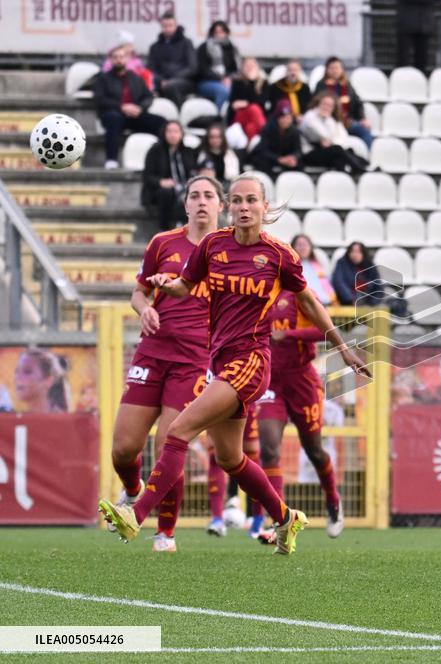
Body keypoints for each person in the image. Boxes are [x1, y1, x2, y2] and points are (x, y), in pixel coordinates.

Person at [98, 173, 370, 555]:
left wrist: (342, 347)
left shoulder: (279, 254)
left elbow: (309, 302)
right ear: (229, 206)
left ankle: (137, 514)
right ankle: (285, 517)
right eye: (238, 201)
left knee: (177, 431)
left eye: (251, 201)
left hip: (252, 362)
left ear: (265, 207)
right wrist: (164, 282)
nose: (244, 208)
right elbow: (185, 287)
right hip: (219, 361)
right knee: (229, 457)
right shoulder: (213, 245)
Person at [107, 176, 221, 553]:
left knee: (170, 443)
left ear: (220, 205)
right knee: (123, 449)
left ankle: (165, 533)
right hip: (151, 353)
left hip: (194, 360)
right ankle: (132, 490)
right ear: (185, 205)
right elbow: (138, 292)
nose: (202, 202)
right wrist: (143, 311)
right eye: (195, 196)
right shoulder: (163, 243)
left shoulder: (228, 252)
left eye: (209, 196)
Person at [254, 285, 347, 541]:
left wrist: (290, 334)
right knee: (269, 448)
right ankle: (280, 522)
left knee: (314, 450)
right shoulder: (257, 292)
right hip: (271, 381)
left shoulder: (300, 294)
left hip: (302, 381)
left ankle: (333, 502)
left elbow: (324, 331)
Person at [94, 46, 166, 169]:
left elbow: (148, 97)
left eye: (121, 57)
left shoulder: (135, 78)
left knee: (161, 123)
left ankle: (162, 160)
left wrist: (139, 108)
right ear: (110, 60)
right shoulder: (103, 78)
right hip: (113, 114)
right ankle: (111, 160)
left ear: (127, 59)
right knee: (114, 119)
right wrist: (121, 107)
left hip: (134, 115)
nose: (118, 60)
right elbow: (100, 99)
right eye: (115, 57)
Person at [141, 120, 197, 232]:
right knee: (166, 192)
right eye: (169, 131)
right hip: (160, 191)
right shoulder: (155, 151)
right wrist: (161, 182)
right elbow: (147, 177)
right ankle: (164, 229)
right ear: (164, 133)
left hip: (184, 188)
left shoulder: (188, 152)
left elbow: (194, 171)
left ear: (181, 134)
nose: (172, 135)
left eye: (176, 131)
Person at [299, 92, 370, 174]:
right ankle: (359, 169)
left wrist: (330, 141)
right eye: (324, 104)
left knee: (344, 155)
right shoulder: (310, 116)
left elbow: (343, 137)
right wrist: (329, 139)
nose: (326, 107)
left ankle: (360, 168)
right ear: (317, 103)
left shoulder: (330, 119)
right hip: (309, 154)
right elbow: (324, 134)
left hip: (325, 151)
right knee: (337, 150)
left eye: (330, 106)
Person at [313, 57, 374, 149]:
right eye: (332, 68)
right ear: (327, 70)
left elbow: (358, 103)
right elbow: (315, 105)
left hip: (347, 122)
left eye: (337, 68)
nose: (335, 71)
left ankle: (365, 158)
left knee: (365, 132)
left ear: (342, 69)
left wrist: (362, 118)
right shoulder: (321, 85)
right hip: (328, 123)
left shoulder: (347, 85)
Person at [147, 10, 197, 106]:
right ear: (161, 27)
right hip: (161, 81)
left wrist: (171, 80)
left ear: (176, 25)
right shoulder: (155, 47)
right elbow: (151, 69)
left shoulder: (186, 43)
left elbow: (192, 68)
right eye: (165, 26)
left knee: (170, 86)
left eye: (170, 25)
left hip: (184, 81)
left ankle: (179, 116)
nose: (168, 29)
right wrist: (161, 80)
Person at [195, 20, 240, 111]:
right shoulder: (204, 47)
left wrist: (229, 78)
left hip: (229, 81)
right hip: (207, 82)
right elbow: (202, 69)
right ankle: (217, 118)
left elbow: (235, 69)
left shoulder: (232, 49)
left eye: (221, 31)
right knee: (222, 91)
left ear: (226, 33)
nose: (219, 34)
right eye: (216, 32)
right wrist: (220, 79)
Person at [249, 101, 303, 175]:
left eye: (288, 117)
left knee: (298, 163)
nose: (286, 120)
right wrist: (278, 159)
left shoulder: (294, 131)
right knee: (262, 162)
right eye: (283, 117)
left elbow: (298, 150)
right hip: (271, 158)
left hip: (285, 158)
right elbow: (263, 150)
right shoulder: (268, 129)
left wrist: (293, 157)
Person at [13, 348, 68, 413]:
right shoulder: (20, 419)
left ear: (49, 380)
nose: (17, 377)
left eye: (27, 372)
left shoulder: (61, 420)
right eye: (17, 371)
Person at [228, 57, 268, 142]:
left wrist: (246, 103)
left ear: (257, 68)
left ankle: (250, 151)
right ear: (242, 68)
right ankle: (267, 135)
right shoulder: (237, 83)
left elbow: (262, 102)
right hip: (240, 116)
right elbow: (233, 104)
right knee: (254, 108)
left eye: (252, 66)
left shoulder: (264, 83)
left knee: (251, 128)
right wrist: (251, 82)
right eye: (247, 66)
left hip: (256, 118)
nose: (250, 68)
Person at [332, 241, 383, 306]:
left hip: (367, 301)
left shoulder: (370, 265)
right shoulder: (342, 263)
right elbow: (338, 282)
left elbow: (378, 285)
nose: (355, 254)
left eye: (358, 252)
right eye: (352, 251)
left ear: (363, 254)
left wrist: (373, 303)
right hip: (347, 301)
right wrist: (350, 300)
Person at [291, 234, 337, 305]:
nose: (303, 248)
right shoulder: (290, 266)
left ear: (310, 247)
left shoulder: (318, 264)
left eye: (305, 245)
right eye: (299, 245)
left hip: (325, 303)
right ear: (293, 247)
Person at [396, 0, 436, 72]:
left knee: (422, 60)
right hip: (406, 23)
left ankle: (420, 80)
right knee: (403, 60)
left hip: (424, 25)